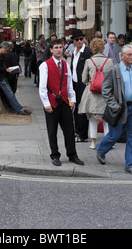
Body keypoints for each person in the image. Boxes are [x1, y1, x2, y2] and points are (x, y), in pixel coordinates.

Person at [96, 45, 132, 175]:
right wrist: (114, 105)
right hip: (119, 109)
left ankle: (130, 164)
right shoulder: (113, 71)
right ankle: (101, 150)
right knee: (114, 135)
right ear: (121, 56)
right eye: (129, 55)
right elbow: (105, 90)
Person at [39, 39, 84, 167]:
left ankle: (72, 155)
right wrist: (46, 103)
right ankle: (55, 155)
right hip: (51, 102)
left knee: (69, 130)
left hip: (64, 102)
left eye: (61, 47)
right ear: (51, 50)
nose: (59, 50)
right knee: (52, 131)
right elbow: (42, 87)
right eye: (56, 47)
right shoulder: (45, 65)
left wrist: (73, 100)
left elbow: (69, 84)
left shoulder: (65, 64)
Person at [79, 38, 113, 149]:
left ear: (93, 48)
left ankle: (93, 142)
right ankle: (107, 143)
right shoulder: (109, 61)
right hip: (105, 92)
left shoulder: (89, 61)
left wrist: (90, 82)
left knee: (92, 118)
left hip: (92, 92)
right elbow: (112, 78)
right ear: (103, 47)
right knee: (106, 119)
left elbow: (83, 78)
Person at [0, 41, 31, 115]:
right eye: (6, 50)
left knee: (10, 93)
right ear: (2, 48)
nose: (6, 52)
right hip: (0, 77)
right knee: (10, 93)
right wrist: (5, 69)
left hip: (4, 76)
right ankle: (19, 109)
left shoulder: (1, 55)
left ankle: (17, 108)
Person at [70, 28, 92, 142]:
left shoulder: (87, 52)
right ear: (73, 41)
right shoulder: (74, 52)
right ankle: (77, 131)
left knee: (82, 109)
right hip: (74, 84)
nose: (79, 41)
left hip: (83, 84)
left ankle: (83, 134)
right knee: (75, 107)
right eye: (77, 40)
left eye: (81, 39)